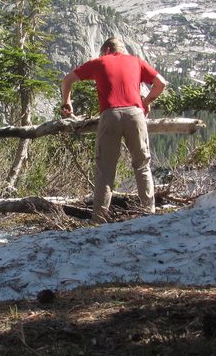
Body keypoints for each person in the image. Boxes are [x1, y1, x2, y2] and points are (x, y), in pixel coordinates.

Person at [61, 37, 168, 221]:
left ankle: (99, 218)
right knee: (142, 164)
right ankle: (149, 213)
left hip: (110, 115)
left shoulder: (99, 62)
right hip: (135, 114)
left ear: (107, 49)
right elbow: (161, 83)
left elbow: (67, 80)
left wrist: (67, 103)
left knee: (105, 169)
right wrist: (146, 102)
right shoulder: (136, 61)